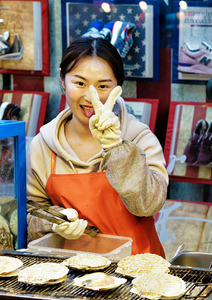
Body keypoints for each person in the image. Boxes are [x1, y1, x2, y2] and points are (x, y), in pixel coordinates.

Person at [26, 37, 168, 257]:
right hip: (71, 275)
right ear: (62, 80)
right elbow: (31, 212)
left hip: (139, 271)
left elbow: (149, 205)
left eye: (103, 86)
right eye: (80, 83)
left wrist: (116, 149)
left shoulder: (140, 138)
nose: (90, 97)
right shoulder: (42, 146)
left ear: (118, 89)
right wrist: (55, 221)